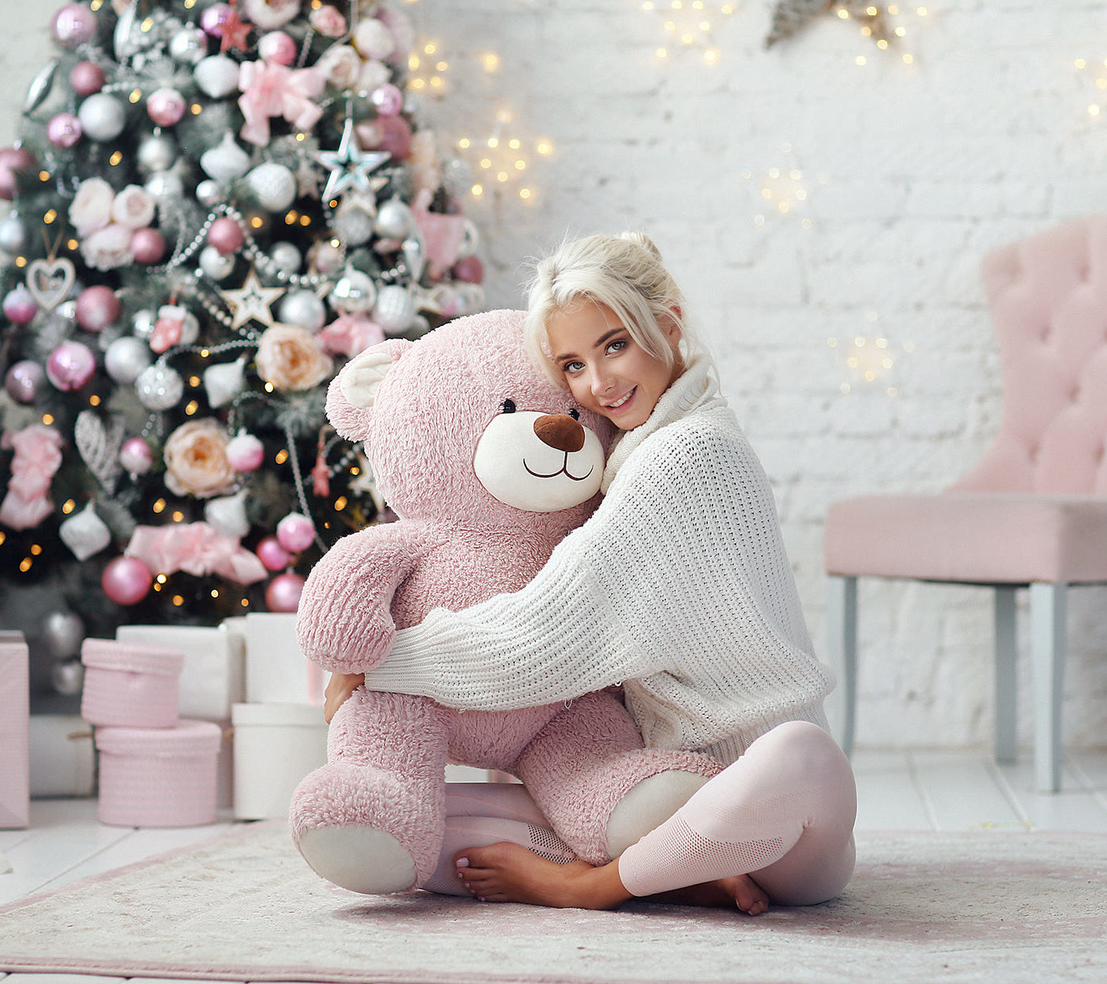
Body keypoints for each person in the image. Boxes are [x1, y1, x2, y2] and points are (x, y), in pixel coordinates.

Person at [325, 232, 857, 915]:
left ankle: (590, 884)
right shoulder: (636, 452)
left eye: (614, 346)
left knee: (800, 752)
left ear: (665, 329)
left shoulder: (686, 454)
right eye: (572, 365)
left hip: (774, 822)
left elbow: (547, 631)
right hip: (660, 792)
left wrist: (379, 661)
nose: (597, 384)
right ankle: (681, 873)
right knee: (422, 823)